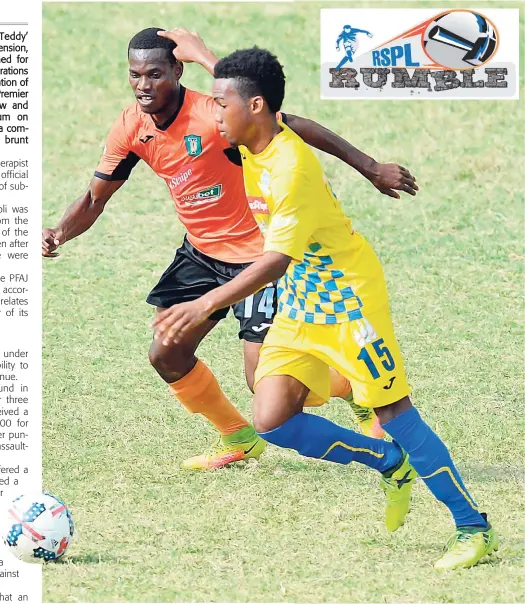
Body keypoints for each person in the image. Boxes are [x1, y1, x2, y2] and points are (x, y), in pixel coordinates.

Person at [152, 34, 499, 570]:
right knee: (272, 419)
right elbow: (277, 106)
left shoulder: (291, 171)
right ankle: (388, 462)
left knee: (396, 412)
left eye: (221, 104)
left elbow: (273, 262)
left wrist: (204, 305)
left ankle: (473, 528)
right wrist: (200, 54)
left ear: (255, 109)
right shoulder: (256, 132)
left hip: (349, 304)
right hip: (302, 302)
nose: (212, 112)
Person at [42, 27, 416, 470]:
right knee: (166, 352)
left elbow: (289, 123)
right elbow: (93, 198)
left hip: (259, 258)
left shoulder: (214, 114)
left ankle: (361, 395)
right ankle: (238, 437)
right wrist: (59, 232)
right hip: (200, 254)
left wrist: (371, 168)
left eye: (156, 74)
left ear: (178, 71)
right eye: (135, 75)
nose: (144, 86)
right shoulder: (131, 126)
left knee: (264, 383)